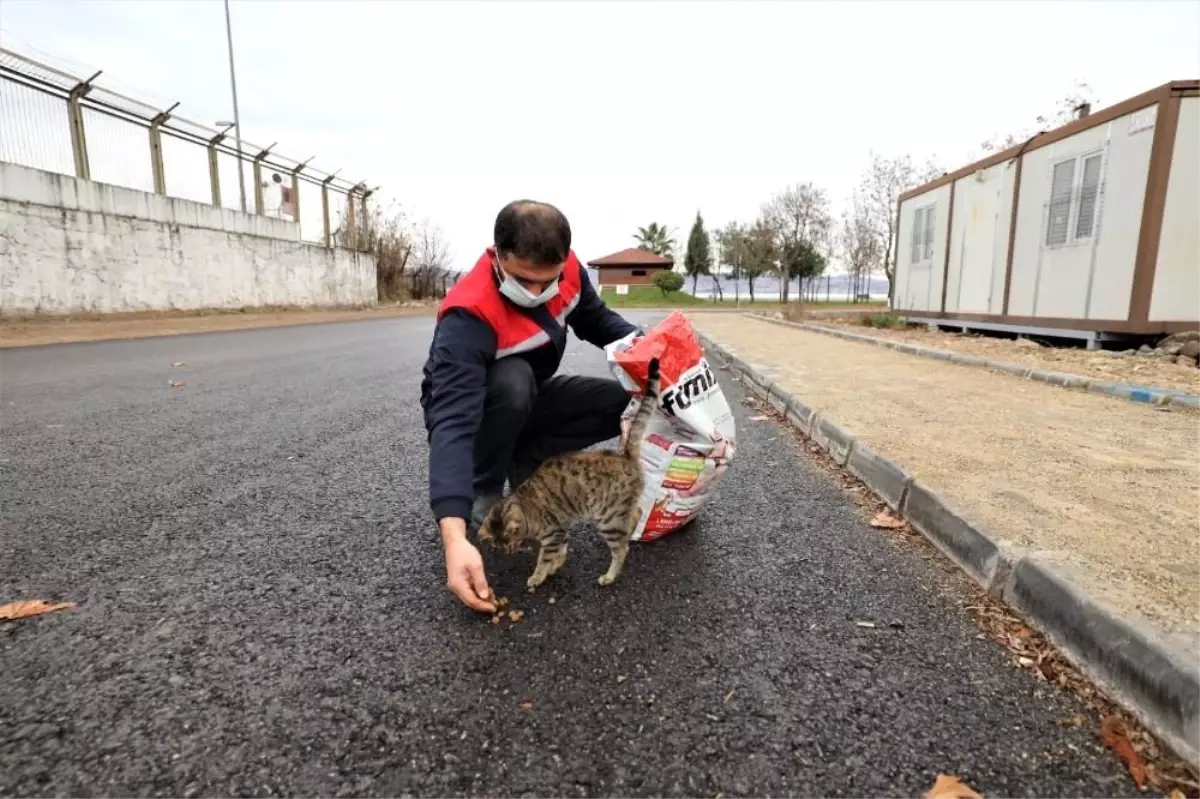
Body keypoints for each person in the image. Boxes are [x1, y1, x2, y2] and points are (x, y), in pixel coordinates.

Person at [420, 200, 642, 613]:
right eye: (524, 281)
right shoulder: (468, 314)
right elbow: (453, 422)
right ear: (497, 255)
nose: (538, 293)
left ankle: (526, 459)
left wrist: (649, 348)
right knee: (513, 380)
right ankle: (484, 487)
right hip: (480, 402)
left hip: (530, 395)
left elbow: (596, 320)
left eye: (548, 281)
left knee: (624, 402)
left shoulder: (569, 271)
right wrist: (453, 535)